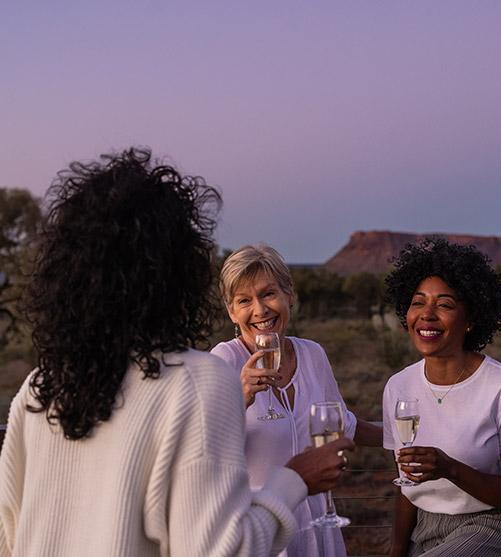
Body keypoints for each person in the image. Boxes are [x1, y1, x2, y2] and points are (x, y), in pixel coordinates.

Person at [0, 148, 353, 557]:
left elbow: (9, 538)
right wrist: (294, 480)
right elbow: (221, 550)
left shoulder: (38, 388)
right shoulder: (199, 381)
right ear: (174, 273)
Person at [211, 244, 382, 557]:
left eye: (269, 293)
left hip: (317, 523)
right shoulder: (223, 361)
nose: (260, 309)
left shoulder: (312, 353)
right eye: (244, 300)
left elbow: (343, 424)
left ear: (290, 295)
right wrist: (242, 398)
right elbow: (205, 450)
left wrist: (403, 436)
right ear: (232, 312)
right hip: (261, 530)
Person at [382, 238, 501, 557]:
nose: (427, 315)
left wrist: (450, 468)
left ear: (470, 320)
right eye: (418, 302)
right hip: (427, 533)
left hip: (498, 527)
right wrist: (397, 550)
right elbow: (407, 486)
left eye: (444, 305)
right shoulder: (398, 386)